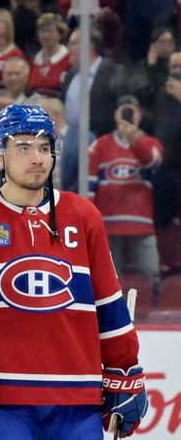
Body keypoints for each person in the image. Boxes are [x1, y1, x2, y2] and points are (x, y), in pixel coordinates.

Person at [0, 104, 148, 440]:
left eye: (44, 148)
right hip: (2, 400)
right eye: (23, 147)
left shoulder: (83, 215)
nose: (37, 158)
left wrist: (125, 369)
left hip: (77, 397)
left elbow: (109, 304)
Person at [89, 95, 164, 293]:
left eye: (133, 111)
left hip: (141, 223)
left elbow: (152, 161)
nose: (129, 115)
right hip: (108, 224)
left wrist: (133, 137)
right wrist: (92, 223)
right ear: (115, 115)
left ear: (140, 115)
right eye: (124, 111)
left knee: (152, 274)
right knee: (109, 278)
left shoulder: (151, 143)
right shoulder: (100, 145)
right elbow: (88, 186)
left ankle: (154, 315)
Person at [28, 13, 71, 97]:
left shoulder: (69, 59)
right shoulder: (33, 61)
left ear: (60, 33)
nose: (46, 35)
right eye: (42, 31)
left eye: (50, 31)